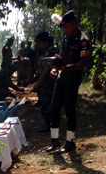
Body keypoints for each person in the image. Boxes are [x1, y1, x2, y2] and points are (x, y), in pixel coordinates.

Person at [46, 10, 92, 154]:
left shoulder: (83, 41)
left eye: (67, 27)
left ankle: (70, 142)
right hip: (62, 76)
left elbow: (84, 62)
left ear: (75, 24)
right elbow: (62, 54)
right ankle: (54, 140)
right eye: (64, 27)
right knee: (54, 106)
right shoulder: (66, 38)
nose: (66, 30)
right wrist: (55, 68)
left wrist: (67, 67)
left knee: (69, 109)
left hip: (73, 77)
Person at [30, 32, 57, 132]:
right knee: (44, 105)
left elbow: (47, 68)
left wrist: (39, 82)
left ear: (46, 42)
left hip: (50, 84)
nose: (39, 46)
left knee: (47, 105)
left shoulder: (51, 52)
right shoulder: (45, 52)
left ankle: (50, 126)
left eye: (41, 44)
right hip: (46, 84)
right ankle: (47, 124)